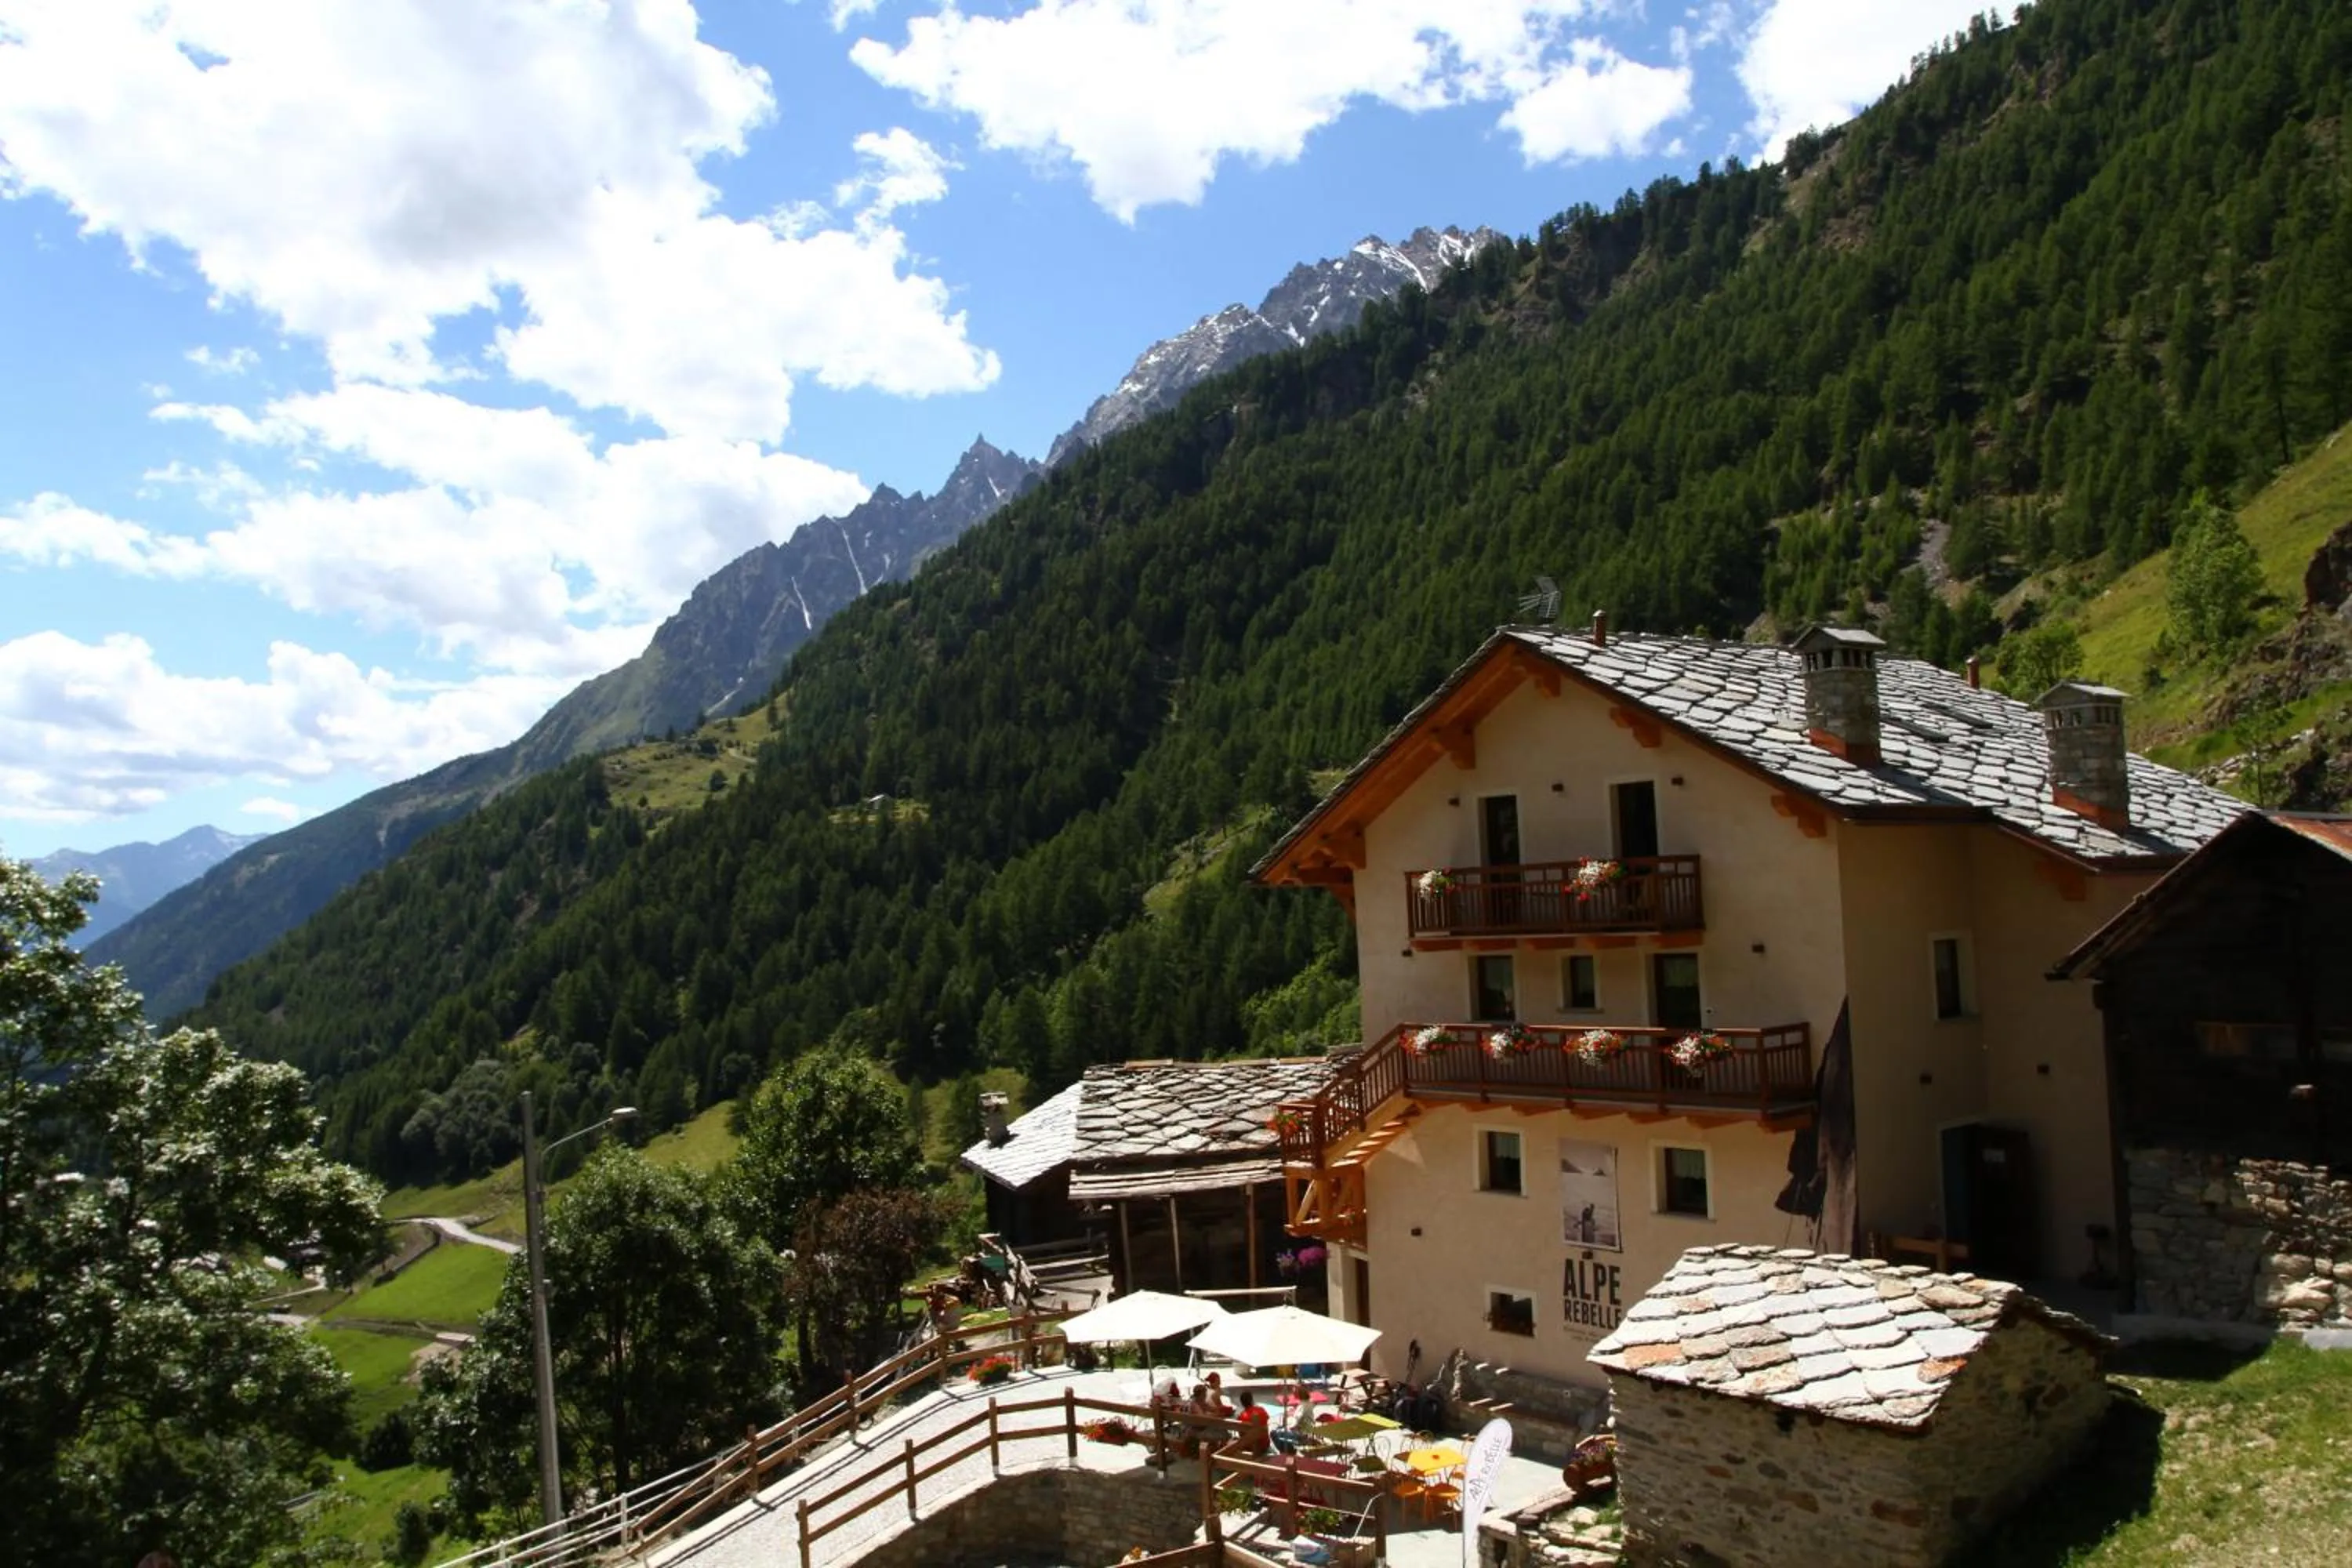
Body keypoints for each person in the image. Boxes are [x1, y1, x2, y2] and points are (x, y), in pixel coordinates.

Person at [1234, 1388, 1271, 1455]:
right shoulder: (1261, 1410)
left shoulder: (1241, 1416)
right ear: (1252, 1400)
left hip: (1249, 1446)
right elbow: (1267, 1422)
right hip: (1264, 1445)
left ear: (1242, 1403)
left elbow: (1241, 1435)